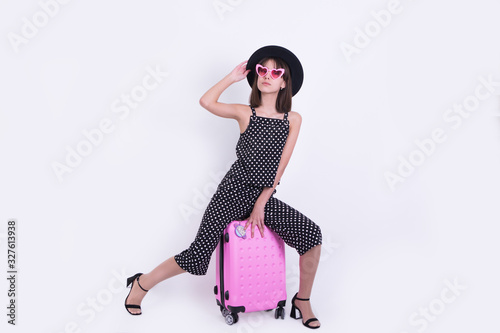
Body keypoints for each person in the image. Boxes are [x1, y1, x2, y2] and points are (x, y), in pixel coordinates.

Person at [124, 45, 323, 329]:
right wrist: (231, 77)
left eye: (275, 71)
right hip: (230, 194)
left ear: (284, 81)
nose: (267, 75)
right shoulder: (245, 113)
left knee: (311, 235)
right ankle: (141, 284)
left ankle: (302, 300)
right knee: (196, 256)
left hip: (263, 197)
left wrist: (260, 204)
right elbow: (206, 101)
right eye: (262, 70)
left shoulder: (293, 120)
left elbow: (280, 168)